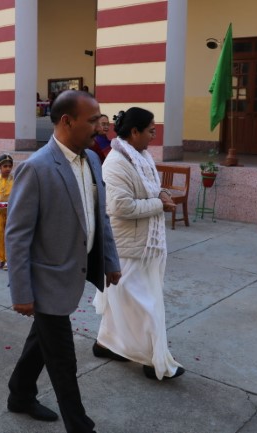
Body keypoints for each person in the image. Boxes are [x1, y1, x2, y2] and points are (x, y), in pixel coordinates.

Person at [5, 90, 121, 433]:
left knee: (40, 343)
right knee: (63, 359)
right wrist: (21, 292)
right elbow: (17, 236)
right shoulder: (36, 168)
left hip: (74, 271)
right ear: (67, 121)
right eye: (93, 120)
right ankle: (80, 425)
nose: (100, 126)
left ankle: (20, 394)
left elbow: (100, 217)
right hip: (47, 280)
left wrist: (110, 260)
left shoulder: (93, 159)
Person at [92, 108, 185, 381]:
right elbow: (120, 206)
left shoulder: (141, 156)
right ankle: (152, 359)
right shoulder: (115, 162)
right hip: (127, 248)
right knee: (145, 306)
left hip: (144, 245)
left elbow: (152, 187)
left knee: (123, 303)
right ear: (134, 132)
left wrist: (162, 194)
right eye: (151, 131)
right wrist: (159, 204)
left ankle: (105, 344)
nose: (154, 136)